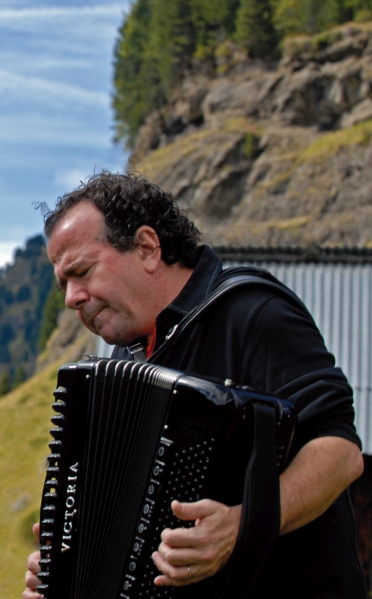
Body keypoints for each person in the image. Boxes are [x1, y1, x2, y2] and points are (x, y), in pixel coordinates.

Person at [23, 172, 365, 599]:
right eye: (64, 284)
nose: (72, 297)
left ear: (147, 247)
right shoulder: (121, 364)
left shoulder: (251, 312)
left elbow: (340, 453)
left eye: (82, 271)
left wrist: (241, 525)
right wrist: (64, 572)